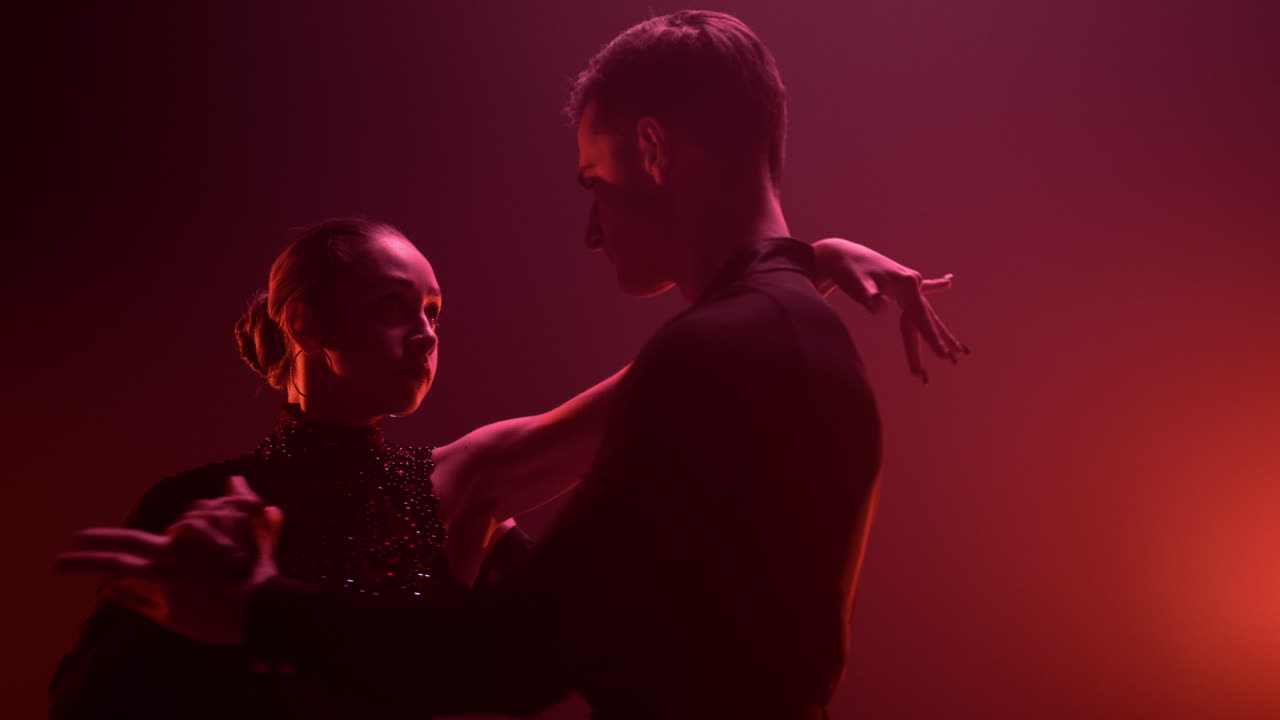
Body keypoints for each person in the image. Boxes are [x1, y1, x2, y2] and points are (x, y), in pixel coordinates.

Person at [54, 206, 959, 719]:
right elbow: (85, 703)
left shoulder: (455, 479)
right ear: (306, 323)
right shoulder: (199, 500)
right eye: (393, 306)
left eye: (437, 312)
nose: (426, 334)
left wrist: (800, 268)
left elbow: (675, 377)